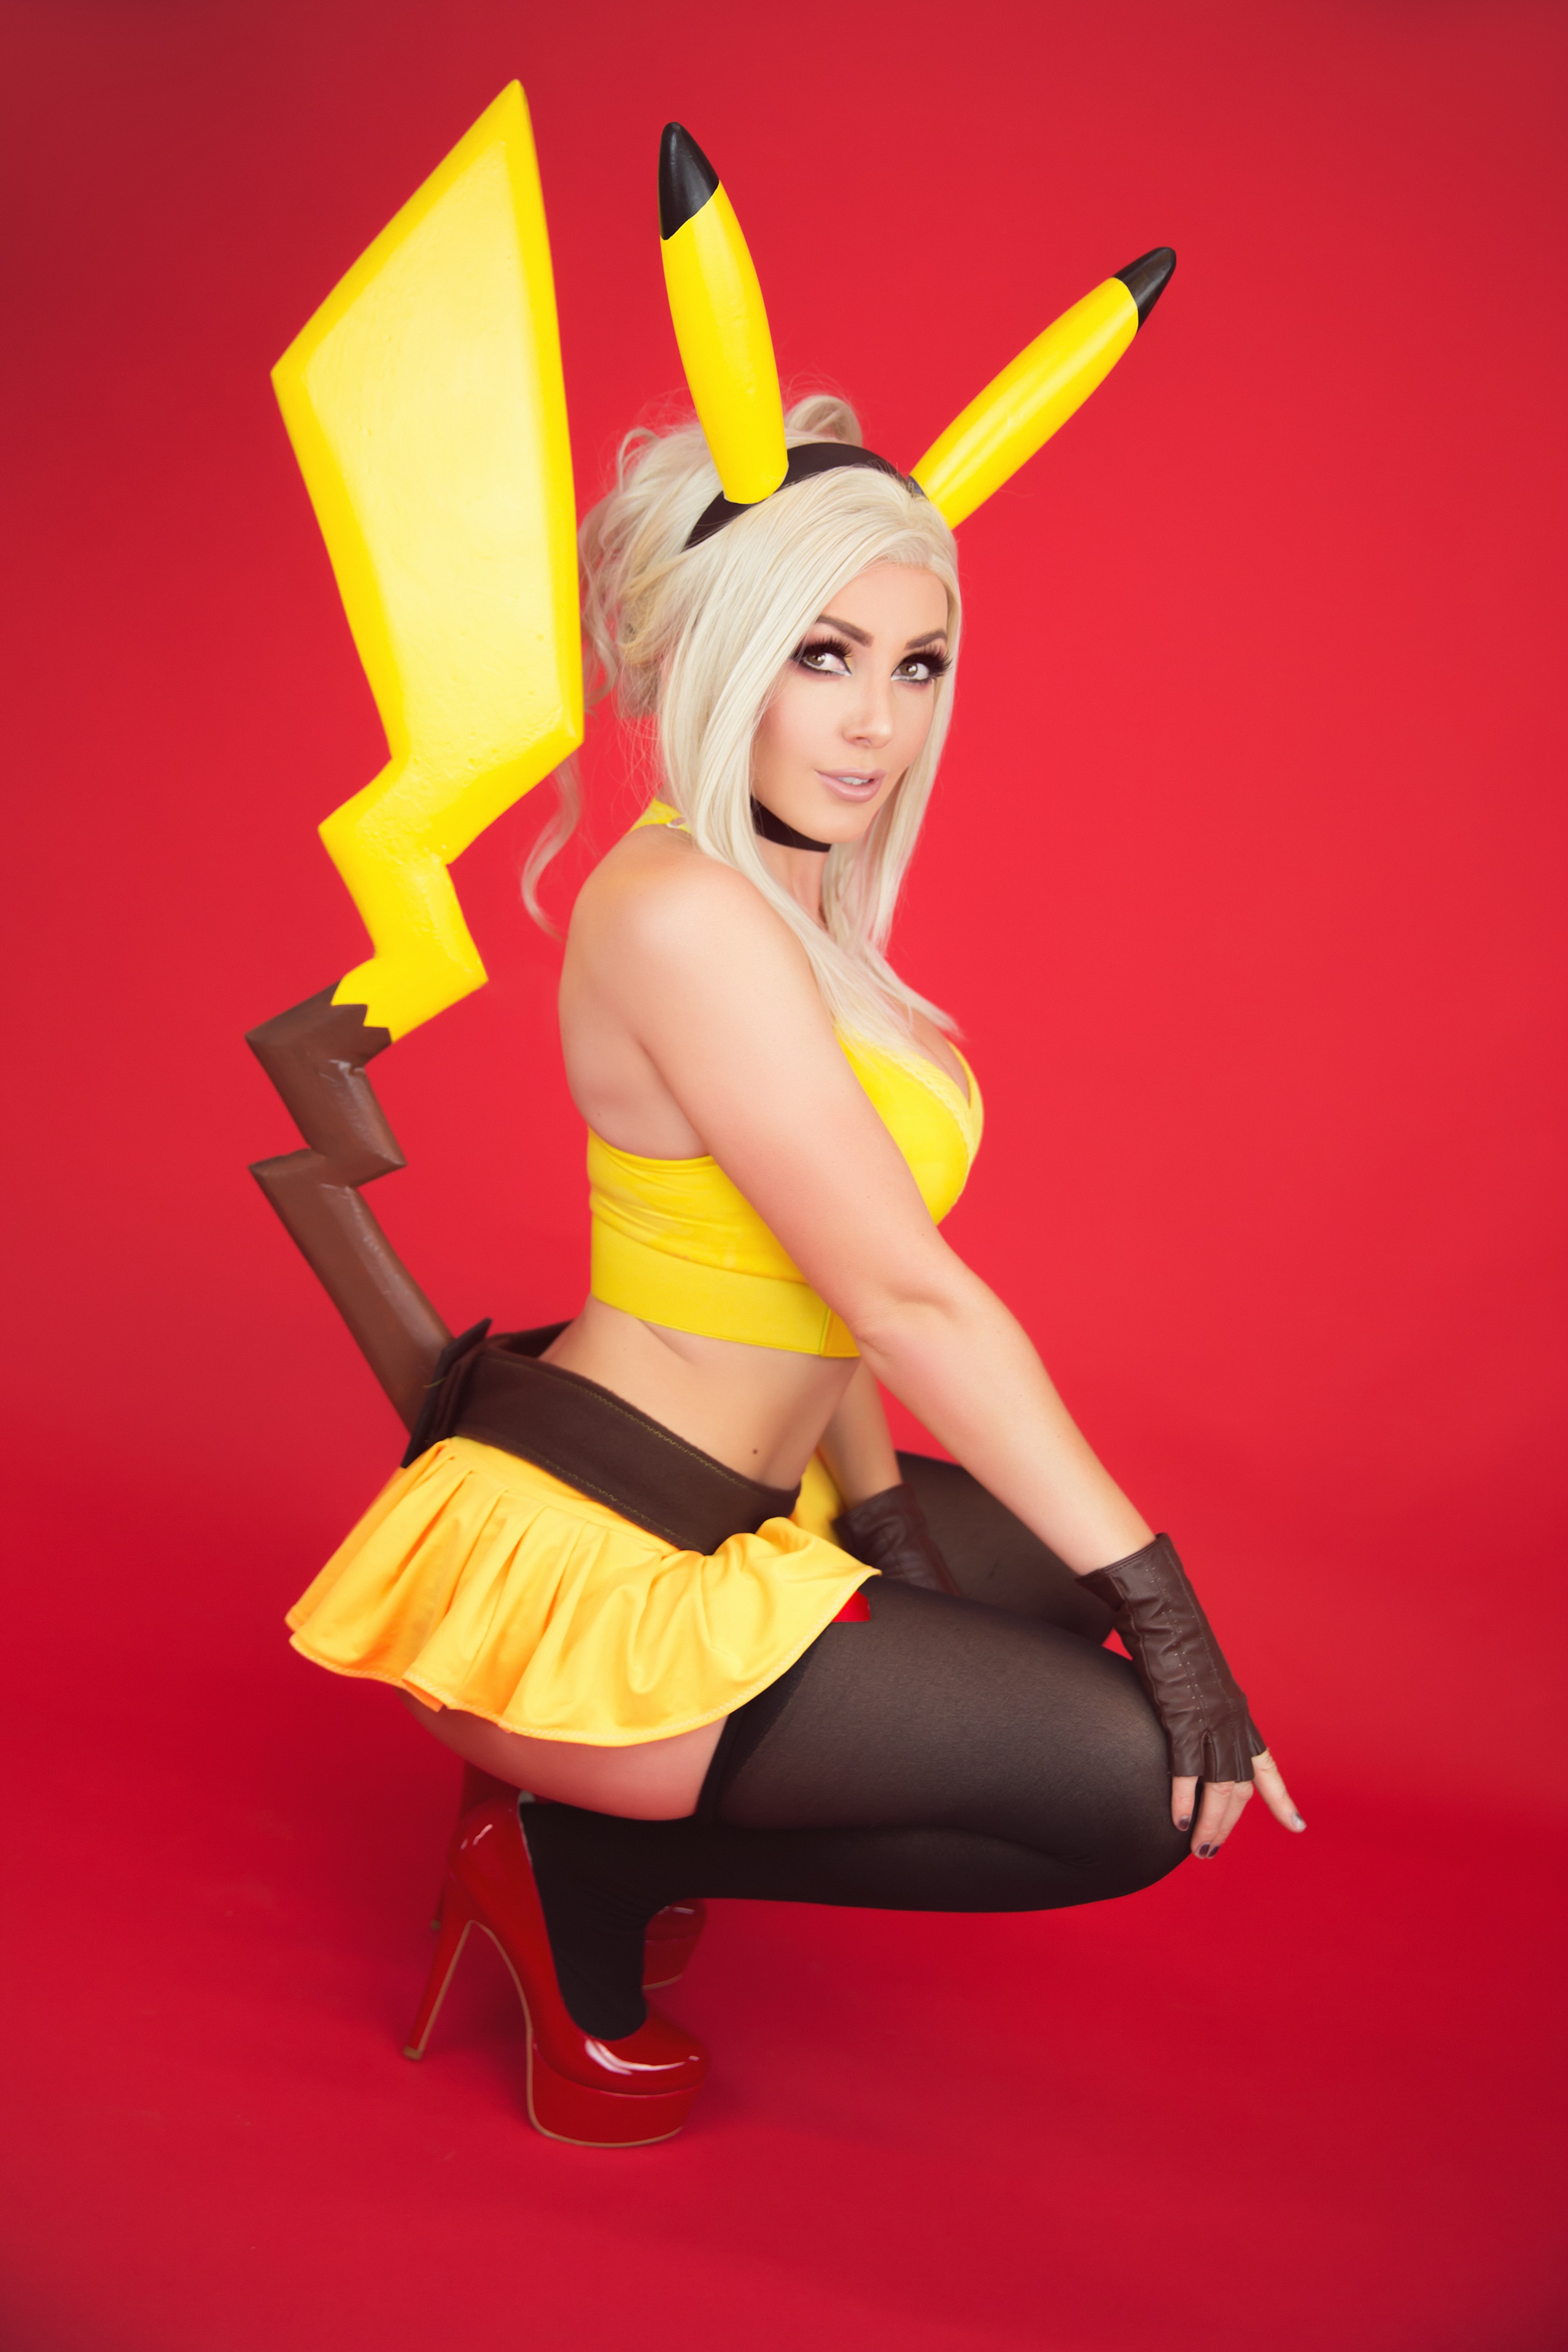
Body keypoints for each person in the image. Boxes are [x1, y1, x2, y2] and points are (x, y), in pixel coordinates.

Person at [284, 390, 1305, 2148]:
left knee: (1030, 1583)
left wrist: (879, 1513)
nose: (877, 722)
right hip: (608, 1543)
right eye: (823, 655)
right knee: (1142, 1774)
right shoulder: (681, 913)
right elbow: (904, 1291)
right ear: (715, 651)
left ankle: (620, 1823)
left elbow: (807, 1279)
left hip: (754, 1498)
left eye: (918, 664)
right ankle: (580, 1862)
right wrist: (1170, 1609)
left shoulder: (788, 900)